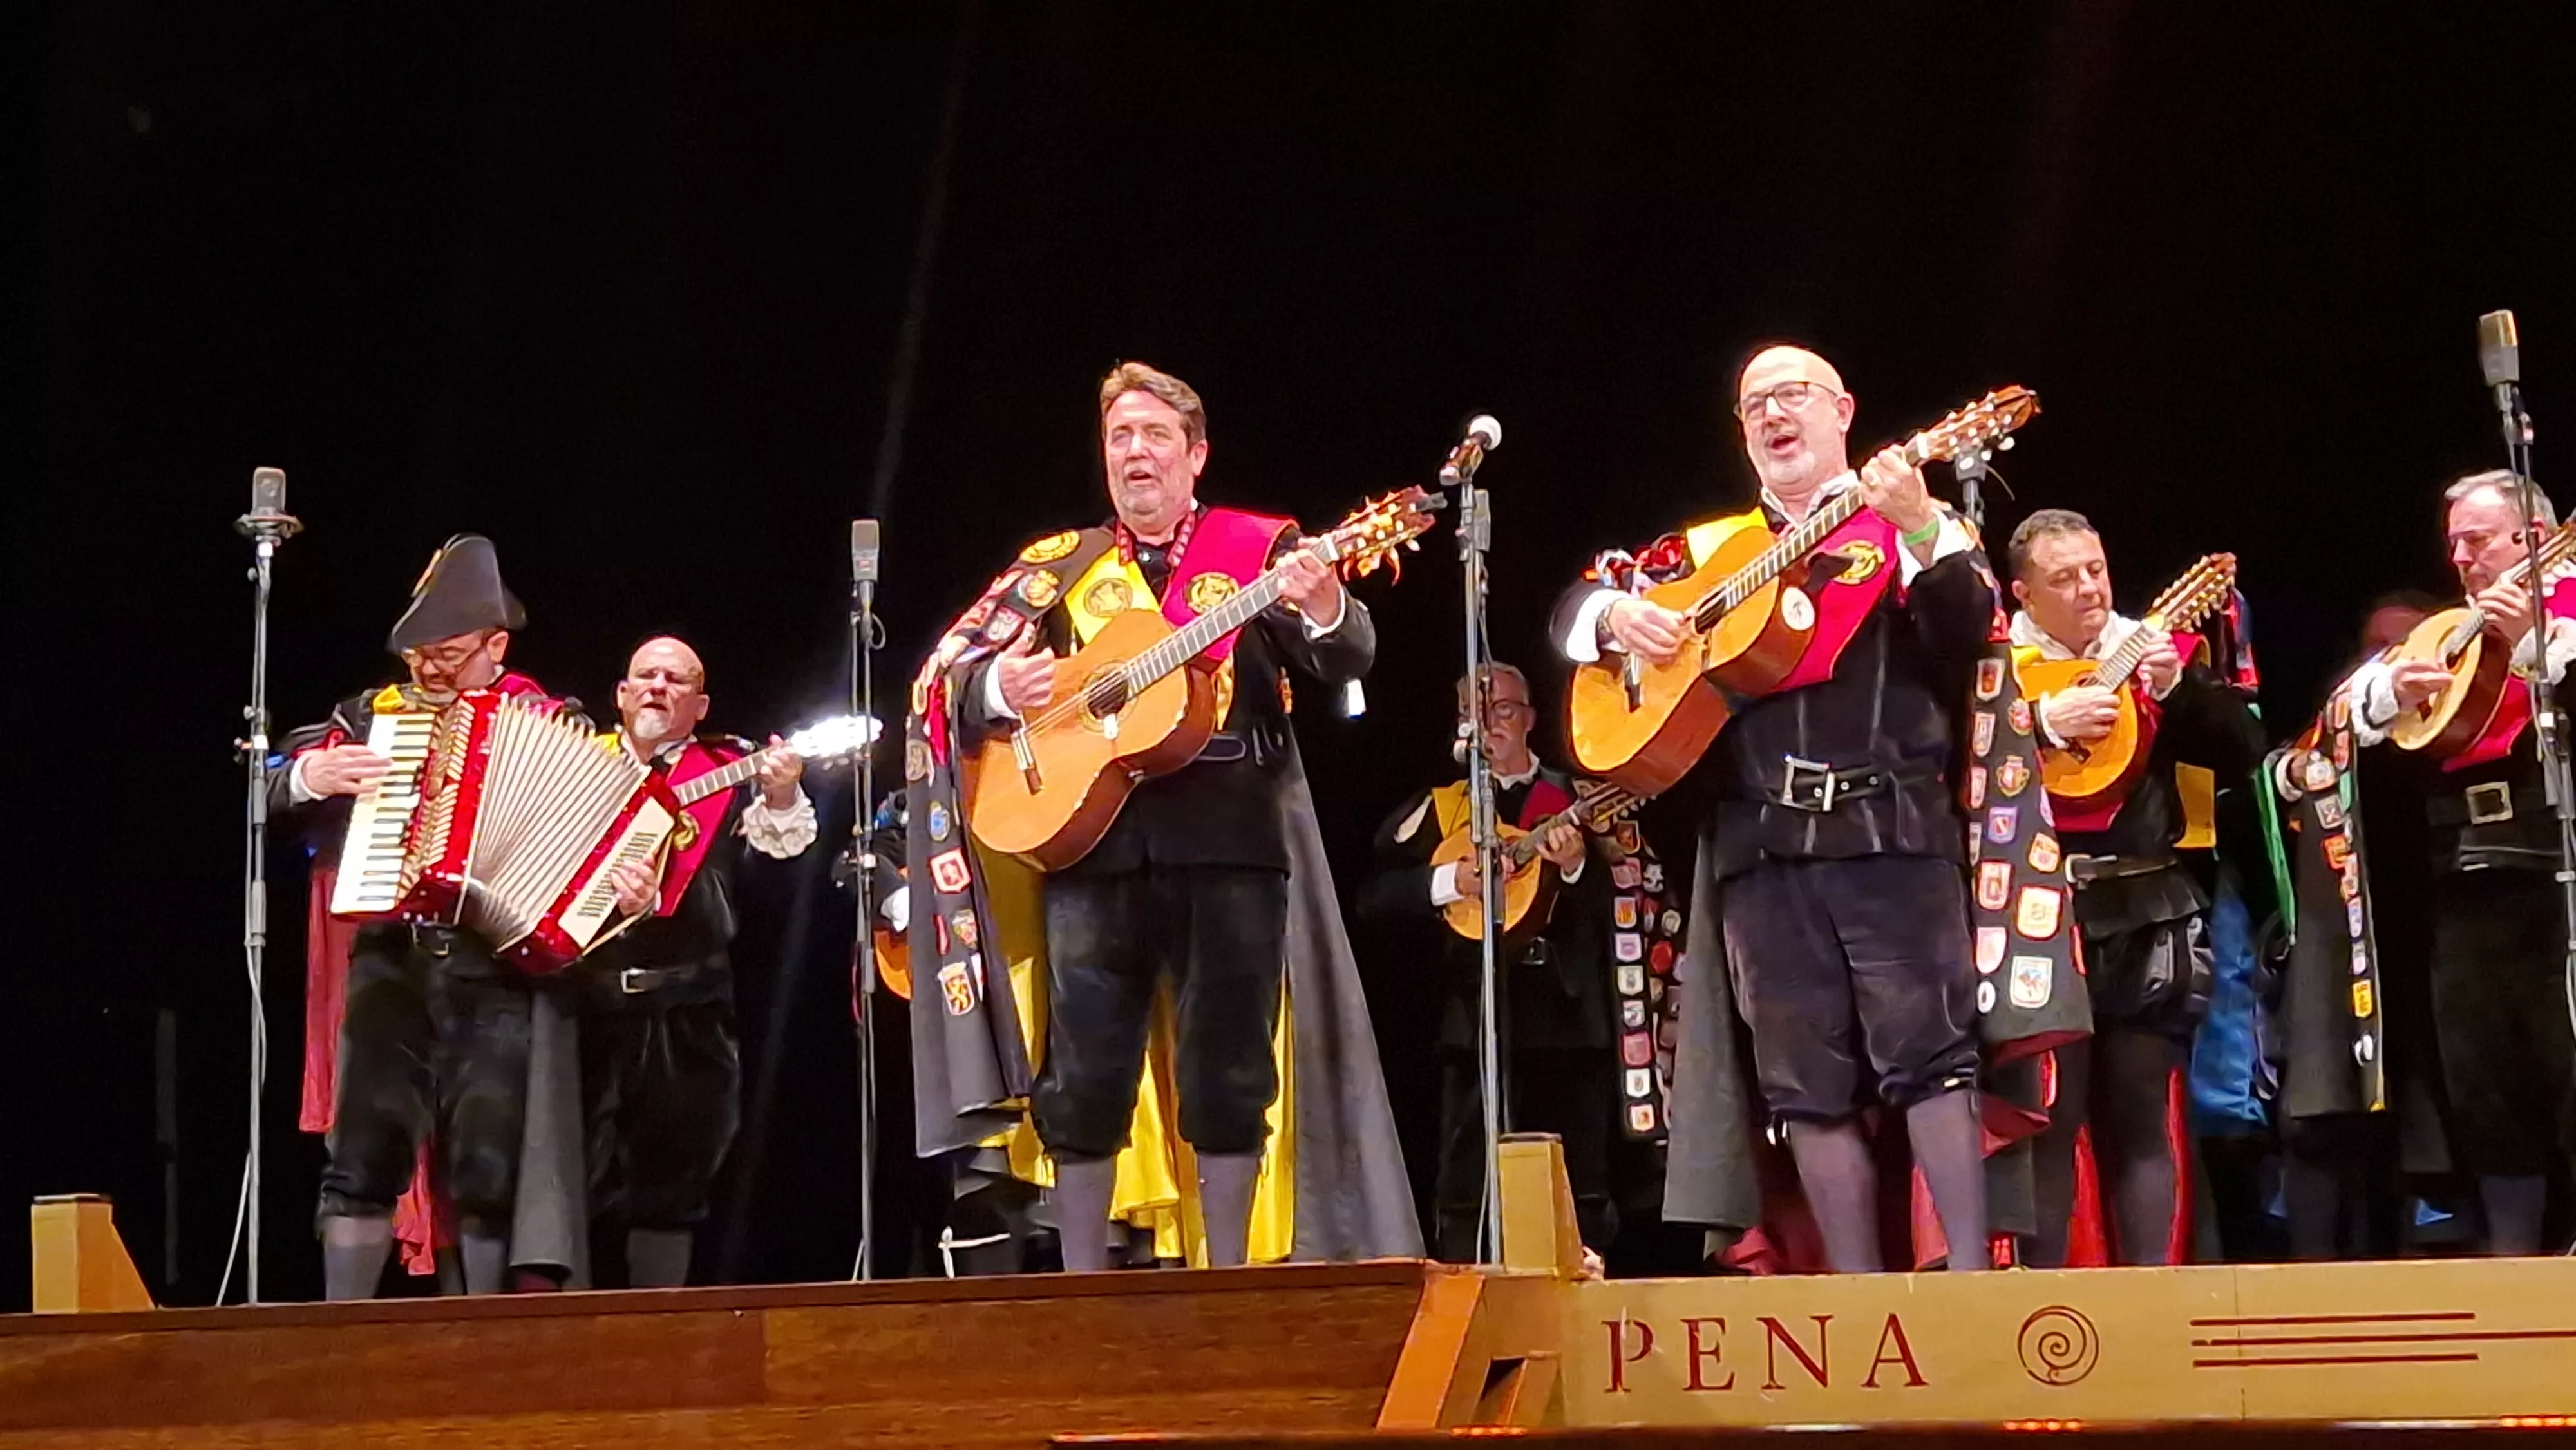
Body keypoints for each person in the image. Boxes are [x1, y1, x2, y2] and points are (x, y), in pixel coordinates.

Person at [906, 361, 1419, 1269]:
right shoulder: (1056, 568)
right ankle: (1084, 1288)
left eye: (1154, 437)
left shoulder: (1262, 548)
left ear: (1196, 455)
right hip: (1091, 844)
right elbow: (941, 678)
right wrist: (999, 686)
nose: (1135, 453)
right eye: (1119, 438)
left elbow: (1347, 661)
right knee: (1084, 1072)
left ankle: (1225, 1281)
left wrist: (1327, 601)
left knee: (1229, 1069)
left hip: (1230, 836)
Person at [1554, 345, 2004, 1271]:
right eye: (1754, 402)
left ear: (1843, 410)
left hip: (1892, 835)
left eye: (1792, 394)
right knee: (1804, 1085)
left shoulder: (1910, 523)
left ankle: (1969, 1287)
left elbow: (1966, 630)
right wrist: (1613, 620)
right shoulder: (1705, 550)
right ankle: (1854, 1304)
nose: (1773, 413)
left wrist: (1919, 523)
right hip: (1762, 847)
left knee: (1932, 1058)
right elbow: (1571, 611)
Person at [273, 534, 582, 1298]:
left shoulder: (547, 716)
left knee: (487, 1162)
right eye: (418, 654)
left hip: (493, 964)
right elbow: (271, 787)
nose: (427, 669)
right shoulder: (366, 715)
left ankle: (484, 1345)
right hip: (389, 956)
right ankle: (340, 1341)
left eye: (446, 653)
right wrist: (307, 774)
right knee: (362, 1157)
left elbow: (591, 831)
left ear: (495, 645)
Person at [2006, 509, 2264, 1264]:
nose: (2088, 588)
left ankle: (2151, 1306)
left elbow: (2243, 755)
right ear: (2023, 594)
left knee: (2142, 1118)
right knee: (2049, 1123)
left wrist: (2178, 687)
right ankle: (2045, 1312)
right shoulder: (1997, 669)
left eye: (2095, 568)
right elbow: (1950, 767)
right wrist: (2040, 723)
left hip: (2147, 911)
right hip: (2037, 916)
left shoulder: (2149, 648)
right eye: (2064, 578)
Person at [2338, 470, 2576, 1254]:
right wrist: (2386, 690)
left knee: (2565, 1055)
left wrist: (2537, 639)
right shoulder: (2447, 630)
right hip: (2463, 872)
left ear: (2532, 541)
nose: (2464, 559)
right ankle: (2511, 1259)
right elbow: (2342, 718)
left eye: (2478, 540)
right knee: (2483, 1070)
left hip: (2556, 863)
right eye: (2455, 545)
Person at [1359, 664, 1656, 1262]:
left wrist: (1573, 868)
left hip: (1567, 1019)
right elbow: (1375, 900)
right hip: (1475, 1017)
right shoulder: (1445, 808)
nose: (1487, 724)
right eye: (1474, 710)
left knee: (1577, 1181)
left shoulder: (1573, 797)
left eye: (1501, 711)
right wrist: (1451, 882)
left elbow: (1618, 901)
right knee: (1469, 1181)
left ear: (1528, 719)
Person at [576, 636, 817, 1288]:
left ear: (700, 702)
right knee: (568, 1186)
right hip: (578, 1003)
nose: (657, 686)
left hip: (689, 1007)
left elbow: (780, 877)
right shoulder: (576, 761)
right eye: (644, 676)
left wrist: (785, 795)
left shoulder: (729, 769)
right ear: (621, 696)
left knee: (673, 1185)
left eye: (675, 679)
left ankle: (659, 1346)